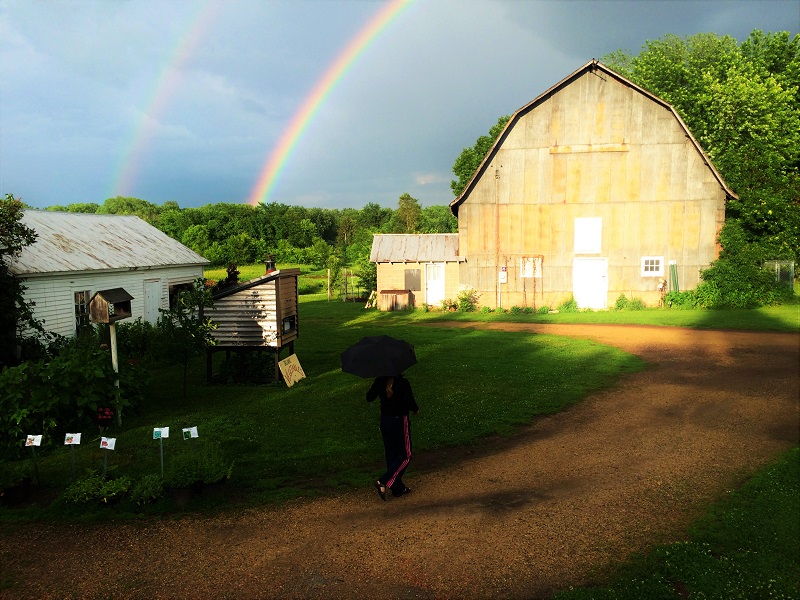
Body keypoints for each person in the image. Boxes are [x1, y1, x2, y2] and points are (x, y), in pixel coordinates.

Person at [366, 373, 418, 500]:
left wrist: (376, 385)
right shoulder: (402, 383)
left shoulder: (379, 381)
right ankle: (383, 480)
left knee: (392, 454)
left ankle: (397, 488)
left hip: (385, 421)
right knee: (406, 455)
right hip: (399, 420)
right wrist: (415, 409)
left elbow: (369, 397)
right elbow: (409, 400)